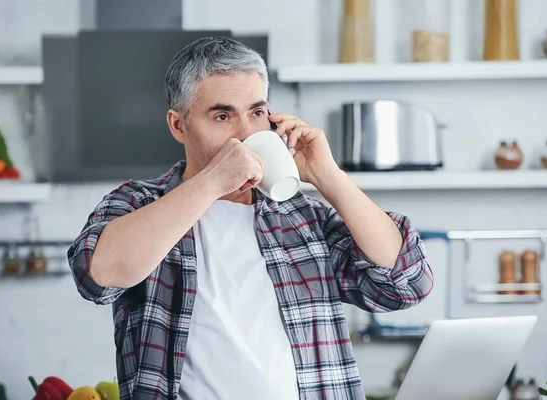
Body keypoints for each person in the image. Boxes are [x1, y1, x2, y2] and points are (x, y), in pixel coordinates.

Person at [68, 36, 434, 400]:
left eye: (257, 113)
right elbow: (97, 277)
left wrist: (328, 176)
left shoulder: (303, 217)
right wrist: (213, 181)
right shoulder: (139, 202)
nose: (245, 134)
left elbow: (406, 283)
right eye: (223, 116)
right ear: (179, 125)